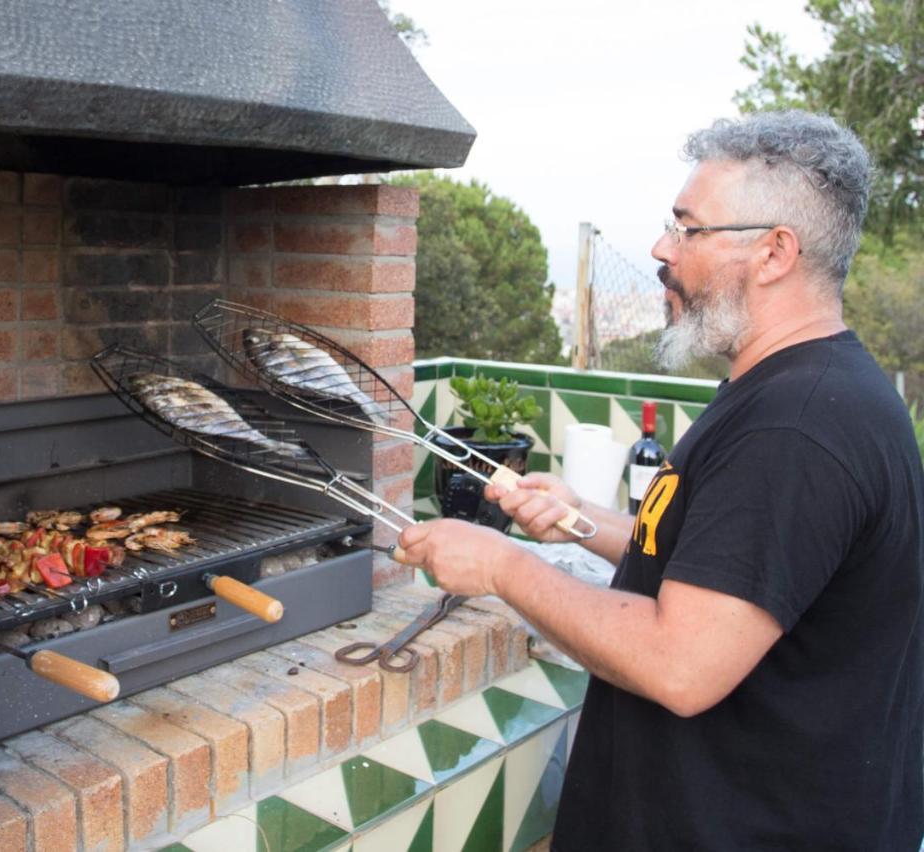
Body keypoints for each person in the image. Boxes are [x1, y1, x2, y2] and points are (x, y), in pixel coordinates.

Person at [396, 110, 924, 850]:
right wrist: (583, 519)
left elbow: (682, 663)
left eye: (687, 228)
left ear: (774, 252)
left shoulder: (795, 428)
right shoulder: (807, 388)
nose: (660, 248)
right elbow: (728, 569)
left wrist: (501, 565)